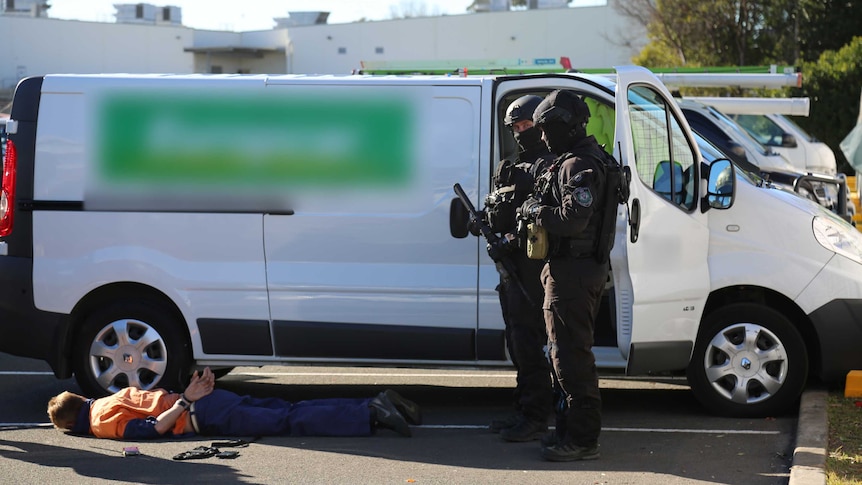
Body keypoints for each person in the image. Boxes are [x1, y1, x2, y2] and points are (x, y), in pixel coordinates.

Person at [517, 89, 614, 461]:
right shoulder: (585, 159)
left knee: (570, 357)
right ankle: (568, 432)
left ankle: (582, 439)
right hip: (572, 271)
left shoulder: (579, 165)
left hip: (573, 274)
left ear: (564, 126)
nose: (541, 138)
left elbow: (573, 220)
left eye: (546, 129)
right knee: (565, 353)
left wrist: (535, 211)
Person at [47, 367, 421, 440]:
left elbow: (153, 429)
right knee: (289, 408)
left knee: (289, 422)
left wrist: (186, 402)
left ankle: (372, 414)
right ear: (81, 398)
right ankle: (375, 400)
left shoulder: (100, 422)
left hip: (201, 413)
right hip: (211, 398)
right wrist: (191, 391)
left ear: (69, 425)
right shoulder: (111, 398)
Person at [483, 95, 556, 442]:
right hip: (509, 271)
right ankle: (522, 408)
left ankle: (536, 416)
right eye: (516, 127)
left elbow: (545, 219)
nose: (521, 132)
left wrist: (512, 239)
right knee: (516, 341)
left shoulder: (550, 166)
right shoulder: (508, 167)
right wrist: (481, 221)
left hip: (533, 270)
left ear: (540, 126)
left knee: (529, 343)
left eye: (527, 125)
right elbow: (499, 210)